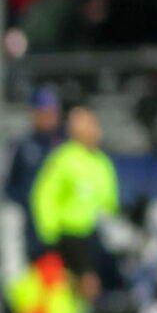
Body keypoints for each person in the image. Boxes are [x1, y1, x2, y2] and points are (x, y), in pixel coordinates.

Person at [30, 106, 119, 303]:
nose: (96, 131)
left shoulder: (102, 162)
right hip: (70, 232)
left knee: (81, 283)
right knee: (87, 282)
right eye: (89, 126)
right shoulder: (63, 159)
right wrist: (49, 231)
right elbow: (44, 196)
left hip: (94, 233)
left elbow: (109, 202)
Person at [4, 87, 65, 261]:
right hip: (33, 228)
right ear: (33, 113)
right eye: (43, 112)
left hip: (64, 228)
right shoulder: (22, 145)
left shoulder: (68, 146)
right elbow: (9, 185)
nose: (48, 117)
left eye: (52, 112)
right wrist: (28, 202)